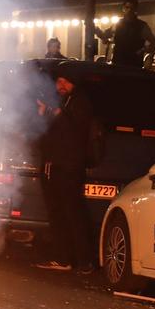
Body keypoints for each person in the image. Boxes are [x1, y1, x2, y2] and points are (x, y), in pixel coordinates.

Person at [36, 70, 99, 275]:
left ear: (74, 83)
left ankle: (83, 261)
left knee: (73, 214)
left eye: (66, 81)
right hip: (56, 166)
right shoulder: (65, 102)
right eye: (59, 81)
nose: (61, 85)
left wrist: (55, 114)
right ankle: (64, 257)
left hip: (69, 168)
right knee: (59, 214)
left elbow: (73, 132)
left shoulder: (79, 103)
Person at [108, 0, 155, 69]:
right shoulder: (117, 24)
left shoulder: (141, 26)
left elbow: (154, 42)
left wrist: (144, 51)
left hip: (133, 65)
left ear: (135, 9)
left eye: (132, 8)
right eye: (127, 7)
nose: (129, 10)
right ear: (123, 9)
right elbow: (106, 36)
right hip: (118, 63)